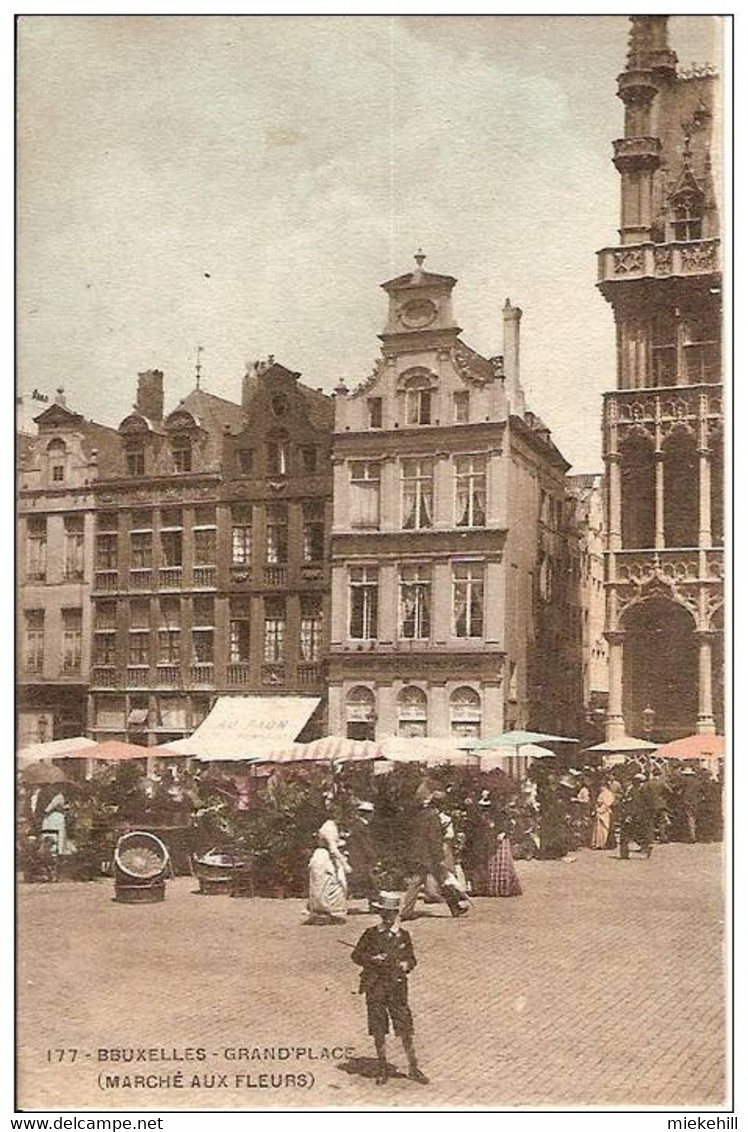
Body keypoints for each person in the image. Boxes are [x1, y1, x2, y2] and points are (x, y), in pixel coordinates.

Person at [350, 891, 429, 1086]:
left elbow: (412, 959)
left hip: (397, 987)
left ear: (396, 914)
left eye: (391, 913)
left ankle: (413, 1067)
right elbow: (356, 956)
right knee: (378, 1028)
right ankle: (383, 1067)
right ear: (380, 913)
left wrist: (406, 965)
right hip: (375, 986)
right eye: (384, 913)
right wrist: (372, 959)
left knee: (405, 1028)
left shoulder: (403, 935)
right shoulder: (371, 934)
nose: (387, 916)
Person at [400, 788, 468, 920]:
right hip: (428, 856)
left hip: (417, 854)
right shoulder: (433, 817)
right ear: (440, 805)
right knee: (440, 880)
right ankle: (407, 912)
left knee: (425, 881)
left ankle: (455, 907)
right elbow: (434, 839)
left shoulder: (420, 814)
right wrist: (439, 857)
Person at [308, 830, 348, 924]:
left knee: (338, 884)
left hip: (333, 858)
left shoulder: (341, 827)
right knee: (321, 885)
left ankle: (334, 912)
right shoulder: (328, 827)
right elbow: (333, 848)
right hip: (324, 858)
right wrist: (345, 864)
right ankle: (321, 913)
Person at [345, 801, 379, 908]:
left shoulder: (358, 825)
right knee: (368, 882)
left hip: (359, 857)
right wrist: (373, 858)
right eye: (371, 813)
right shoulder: (360, 827)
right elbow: (365, 845)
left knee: (367, 882)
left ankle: (374, 903)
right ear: (368, 814)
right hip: (360, 858)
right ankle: (375, 903)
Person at [591, 779, 616, 850]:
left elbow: (607, 803)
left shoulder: (608, 793)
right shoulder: (602, 793)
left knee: (604, 828)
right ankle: (598, 843)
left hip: (604, 812)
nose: (600, 788)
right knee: (598, 829)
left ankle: (602, 843)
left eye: (602, 786)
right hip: (600, 811)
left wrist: (600, 810)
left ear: (605, 786)